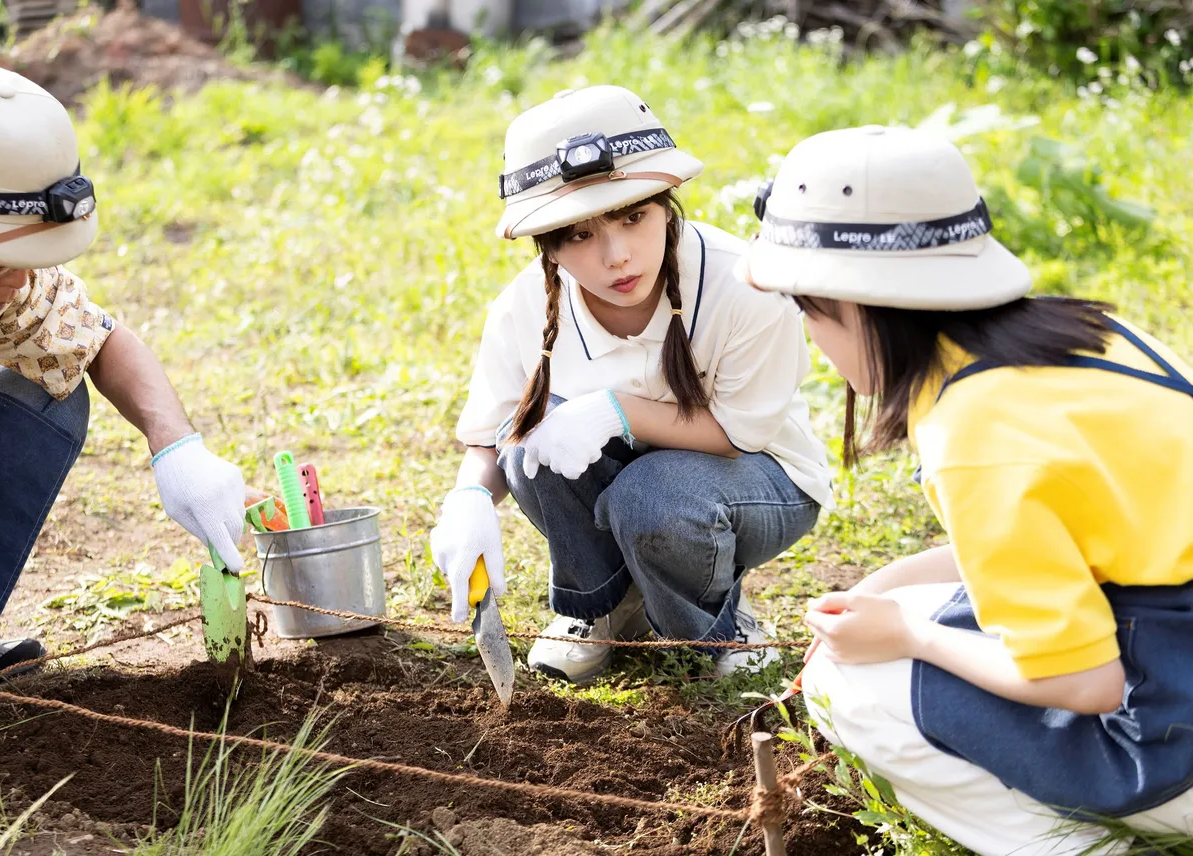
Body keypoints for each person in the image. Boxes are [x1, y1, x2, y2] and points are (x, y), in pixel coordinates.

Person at [739, 124, 1193, 855]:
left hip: (1171, 729)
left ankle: (1083, 846)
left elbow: (1089, 684)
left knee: (849, 681)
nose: (814, 340)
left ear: (850, 301)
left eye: (807, 310)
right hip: (1171, 624)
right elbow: (1094, 531)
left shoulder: (972, 432)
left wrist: (909, 634)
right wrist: (885, 587)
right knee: (906, 615)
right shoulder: (1093, 335)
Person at [429, 85, 831, 683]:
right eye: (578, 234)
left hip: (758, 479)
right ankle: (603, 606)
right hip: (641, 483)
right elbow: (492, 435)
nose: (616, 256)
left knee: (651, 494)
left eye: (632, 216)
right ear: (549, 247)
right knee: (531, 442)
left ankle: (717, 622)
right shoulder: (522, 311)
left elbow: (740, 433)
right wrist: (469, 500)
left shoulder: (743, 287)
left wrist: (618, 411)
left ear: (666, 205)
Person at [0, 63, 247, 686]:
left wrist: (177, 447)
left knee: (39, 398)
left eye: (25, 261)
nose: (16, 283)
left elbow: (95, 338)